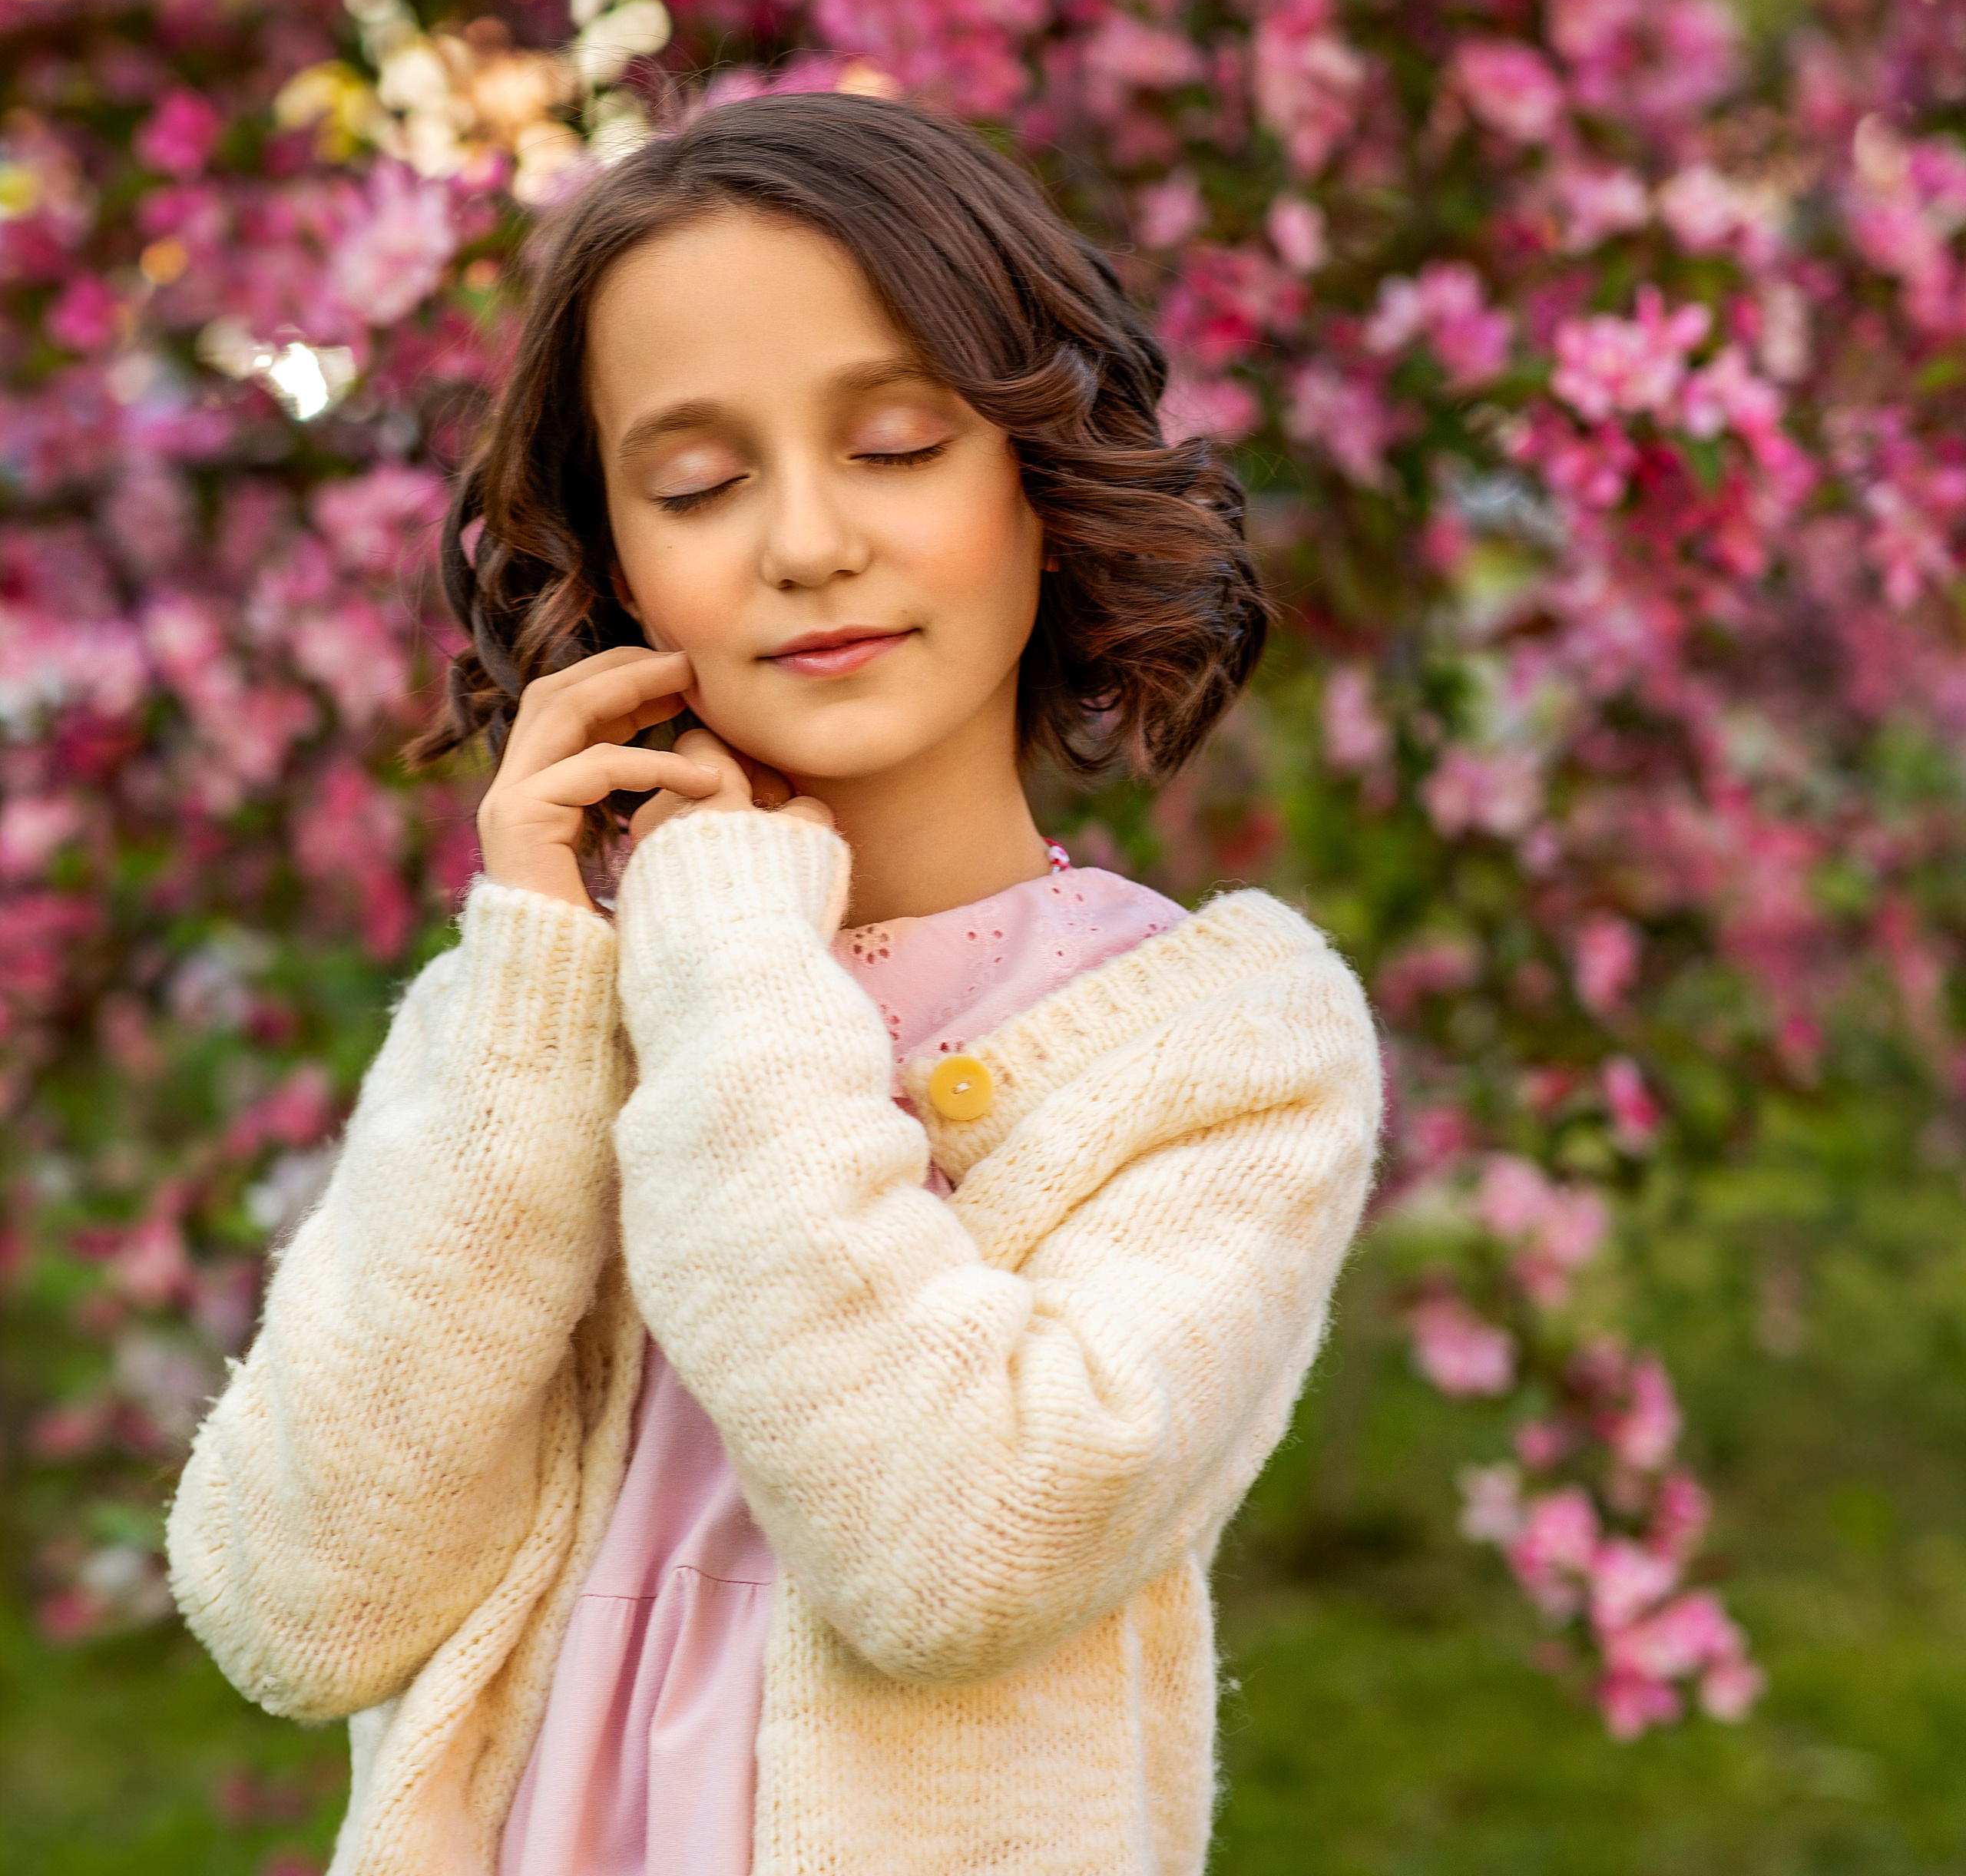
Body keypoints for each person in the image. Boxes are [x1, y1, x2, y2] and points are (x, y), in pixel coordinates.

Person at [167, 92, 1382, 1876]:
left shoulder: (1226, 1048)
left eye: (894, 443)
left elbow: (955, 1539)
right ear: (618, 558)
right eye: (697, 482)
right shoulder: (540, 1015)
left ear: (1040, 486)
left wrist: (729, 943)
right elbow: (301, 1601)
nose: (804, 539)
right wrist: (542, 988)